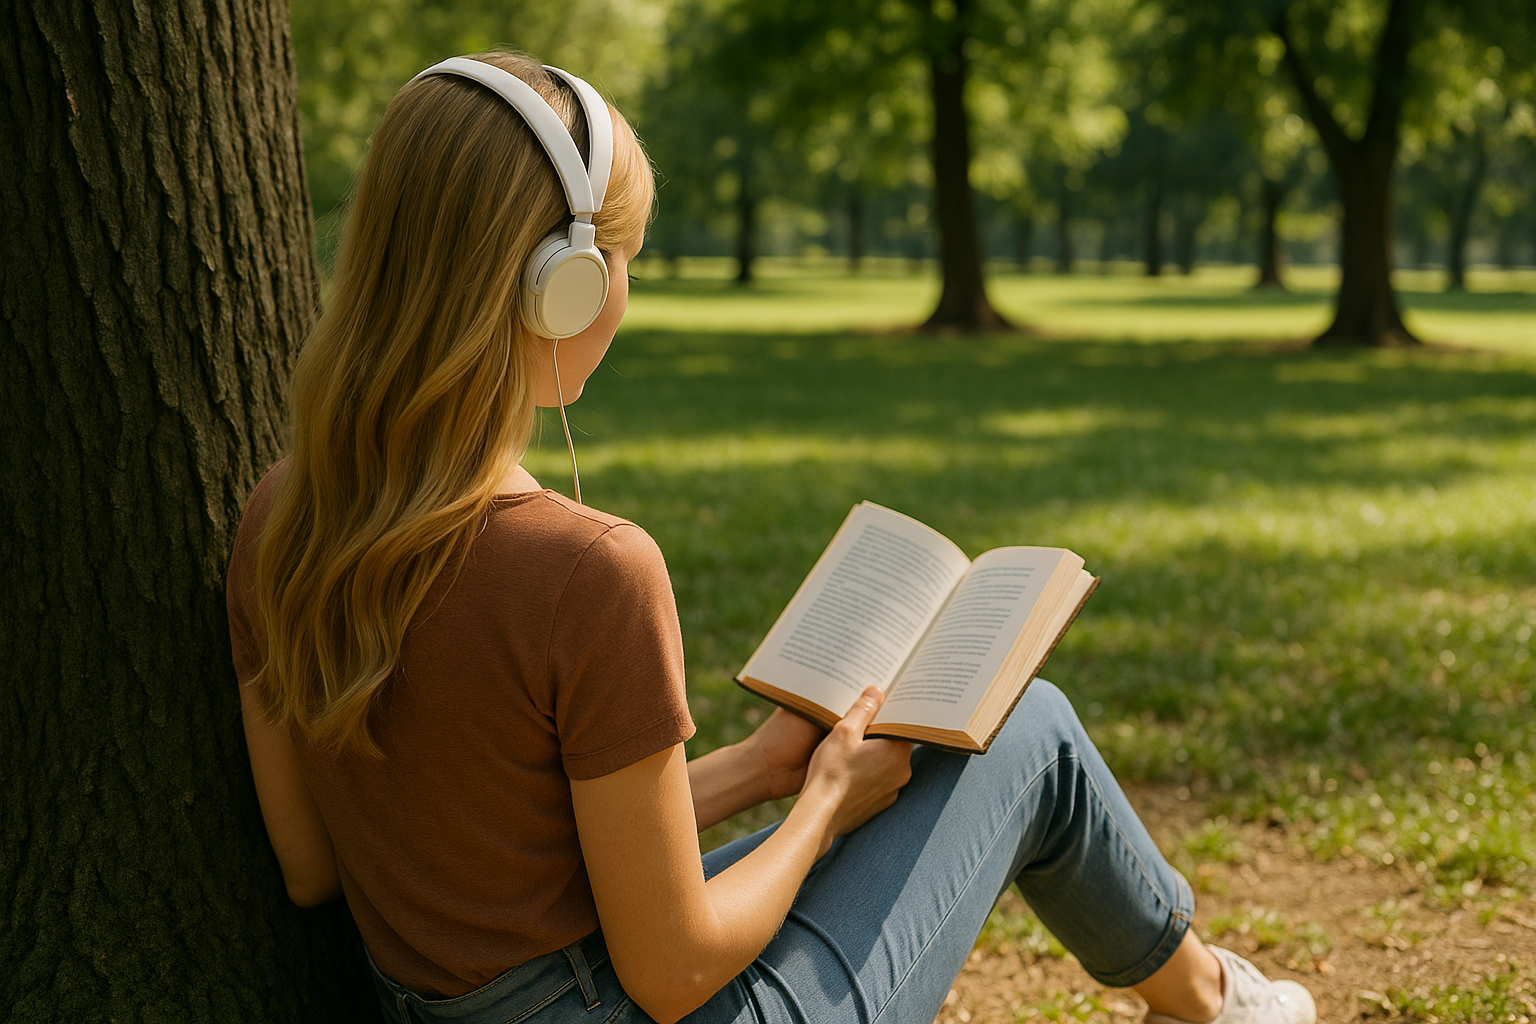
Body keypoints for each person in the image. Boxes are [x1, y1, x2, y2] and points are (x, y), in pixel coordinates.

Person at [226, 51, 1317, 1024]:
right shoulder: (591, 570)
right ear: (561, 289)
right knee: (1025, 722)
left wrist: (760, 769)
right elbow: (674, 970)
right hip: (642, 998)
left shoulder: (279, 519)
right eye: (626, 260)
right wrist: (824, 807)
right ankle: (1216, 1001)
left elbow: (320, 866)